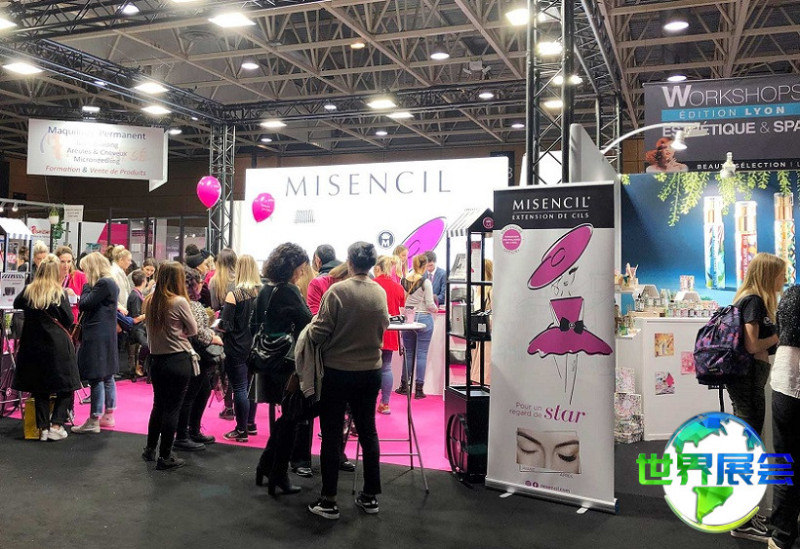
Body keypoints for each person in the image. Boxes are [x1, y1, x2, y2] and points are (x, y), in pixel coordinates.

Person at [306, 242, 389, 520]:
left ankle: (329, 500)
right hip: (370, 371)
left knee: (331, 434)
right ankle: (370, 496)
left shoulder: (337, 291)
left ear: (350, 262)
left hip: (338, 371)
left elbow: (319, 332)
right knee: (368, 431)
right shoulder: (379, 291)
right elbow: (384, 324)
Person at [727, 252, 784, 541]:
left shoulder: (747, 299)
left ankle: (745, 514)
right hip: (748, 381)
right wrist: (777, 336)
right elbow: (751, 345)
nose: (784, 280)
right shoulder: (754, 301)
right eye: (781, 275)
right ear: (768, 274)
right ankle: (742, 520)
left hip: (747, 380)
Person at [255, 243, 312, 494]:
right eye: (301, 267)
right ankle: (276, 471)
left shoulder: (266, 289)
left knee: (289, 417)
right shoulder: (289, 290)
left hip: (268, 359)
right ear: (292, 267)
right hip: (287, 363)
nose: (303, 271)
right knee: (293, 417)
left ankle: (267, 466)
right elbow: (307, 323)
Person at [12, 254, 80, 441]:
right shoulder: (59, 293)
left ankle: (42, 428)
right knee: (66, 385)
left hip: (32, 345)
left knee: (39, 387)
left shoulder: (29, 291)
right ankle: (56, 424)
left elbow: (16, 304)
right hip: (56, 345)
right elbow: (69, 319)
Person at [142, 261, 198, 471]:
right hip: (177, 360)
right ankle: (165, 456)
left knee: (158, 405)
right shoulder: (179, 302)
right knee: (173, 408)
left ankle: (150, 449)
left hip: (156, 361)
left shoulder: (150, 301)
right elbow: (193, 330)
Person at [174, 266, 224, 452]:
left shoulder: (186, 302)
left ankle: (192, 430)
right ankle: (183, 435)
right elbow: (195, 332)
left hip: (194, 354)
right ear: (193, 284)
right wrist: (213, 337)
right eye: (200, 281)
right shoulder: (190, 304)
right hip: (195, 354)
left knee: (201, 392)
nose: (203, 285)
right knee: (191, 395)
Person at [71, 253, 121, 434]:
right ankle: (108, 414)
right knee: (107, 375)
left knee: (96, 376)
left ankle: (94, 419)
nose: (84, 273)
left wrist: (85, 287)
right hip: (106, 334)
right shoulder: (110, 283)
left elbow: (85, 304)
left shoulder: (102, 284)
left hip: (96, 335)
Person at [769, 283, 800, 549]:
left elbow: (780, 331)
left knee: (785, 462)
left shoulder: (791, 294)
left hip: (784, 381)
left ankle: (781, 535)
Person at [219, 254, 262, 442]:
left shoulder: (234, 295)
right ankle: (250, 424)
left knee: (239, 388)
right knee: (250, 387)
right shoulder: (260, 295)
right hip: (255, 346)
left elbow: (225, 325)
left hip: (236, 346)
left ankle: (241, 429)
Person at [396, 254, 437, 399]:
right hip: (424, 318)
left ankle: (404, 385)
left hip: (408, 319)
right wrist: (435, 309)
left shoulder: (403, 280)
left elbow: (402, 300)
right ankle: (419, 389)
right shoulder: (426, 282)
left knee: (408, 353)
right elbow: (430, 304)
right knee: (421, 354)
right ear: (425, 265)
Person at [372, 255, 406, 415]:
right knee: (386, 367)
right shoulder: (398, 287)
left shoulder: (371, 285)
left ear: (377, 268)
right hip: (390, 331)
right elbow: (401, 308)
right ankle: (385, 403)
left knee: (369, 368)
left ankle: (368, 403)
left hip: (371, 332)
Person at [208, 248, 237, 420]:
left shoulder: (214, 281)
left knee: (223, 368)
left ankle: (228, 406)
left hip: (221, 328)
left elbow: (214, 307)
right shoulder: (240, 281)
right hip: (239, 328)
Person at [55, 245, 88, 321]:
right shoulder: (51, 278)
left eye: (69, 261)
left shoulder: (79, 276)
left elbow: (88, 301)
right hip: (55, 320)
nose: (66, 265)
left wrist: (75, 297)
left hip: (73, 321)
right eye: (62, 262)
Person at [126, 270, 149, 379]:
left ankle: (140, 366)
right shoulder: (135, 296)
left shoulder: (137, 294)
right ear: (144, 281)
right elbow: (135, 319)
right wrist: (148, 314)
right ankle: (139, 366)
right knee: (146, 345)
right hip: (136, 328)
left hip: (139, 327)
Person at [110, 245, 133, 310]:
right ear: (121, 260)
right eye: (128, 260)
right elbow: (118, 295)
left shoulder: (120, 272)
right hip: (118, 309)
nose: (130, 263)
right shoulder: (114, 273)